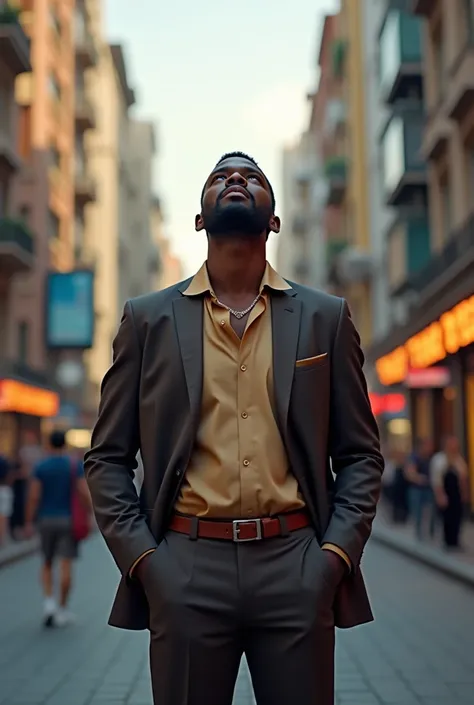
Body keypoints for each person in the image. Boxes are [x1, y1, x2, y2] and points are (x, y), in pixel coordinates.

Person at [85, 151, 384, 705]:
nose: (236, 181)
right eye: (220, 177)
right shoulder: (148, 319)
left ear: (274, 220)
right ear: (199, 219)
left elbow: (361, 454)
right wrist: (147, 563)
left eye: (251, 177)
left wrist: (333, 558)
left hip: (296, 561)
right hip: (187, 564)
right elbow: (106, 457)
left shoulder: (325, 317)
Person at [25, 429, 92, 627]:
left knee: (46, 562)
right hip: (68, 520)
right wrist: (90, 513)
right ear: (65, 444)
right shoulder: (73, 465)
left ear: (48, 444)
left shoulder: (41, 466)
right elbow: (82, 491)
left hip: (45, 520)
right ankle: (62, 608)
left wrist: (29, 521)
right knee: (66, 564)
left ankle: (48, 604)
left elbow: (34, 496)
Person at [430, 435, 469, 550]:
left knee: (457, 517)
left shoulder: (459, 460)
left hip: (456, 493)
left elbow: (463, 479)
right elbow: (437, 480)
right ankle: (447, 541)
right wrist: (440, 496)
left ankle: (455, 540)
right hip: (446, 492)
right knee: (447, 518)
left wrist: (464, 493)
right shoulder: (439, 460)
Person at [404, 438, 435, 540]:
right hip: (416, 489)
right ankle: (419, 535)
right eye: (427, 445)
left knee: (431, 513)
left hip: (429, 489)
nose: (430, 448)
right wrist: (420, 478)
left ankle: (431, 534)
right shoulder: (414, 457)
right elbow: (409, 473)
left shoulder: (431, 458)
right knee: (417, 513)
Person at [0, 453, 13, 546]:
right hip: (4, 488)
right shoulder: (4, 461)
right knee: (3, 515)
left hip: (4, 487)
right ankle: (1, 539)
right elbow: (9, 475)